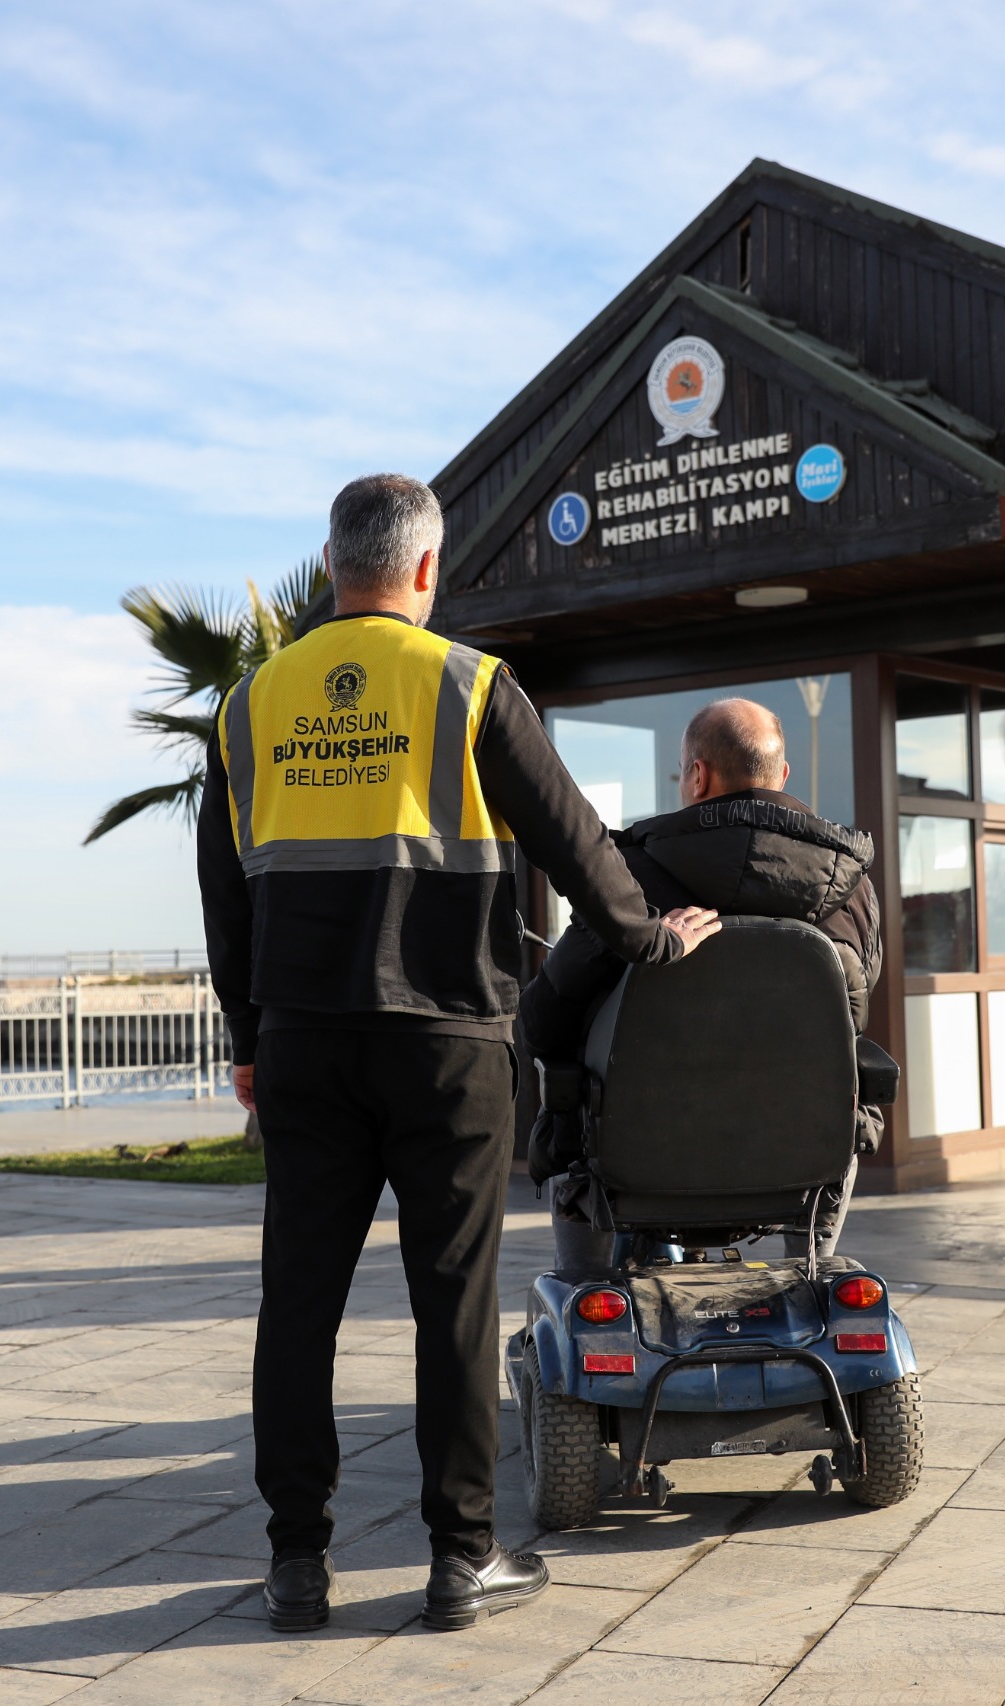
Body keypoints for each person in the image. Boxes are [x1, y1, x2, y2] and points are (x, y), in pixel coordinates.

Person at [197, 473, 719, 1634]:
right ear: (427, 568)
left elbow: (224, 899)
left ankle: (296, 1562)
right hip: (446, 1045)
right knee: (453, 1302)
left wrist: (247, 1038)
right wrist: (653, 939)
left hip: (302, 1043)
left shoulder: (248, 705)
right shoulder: (471, 685)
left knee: (298, 1303)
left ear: (333, 564)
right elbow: (577, 846)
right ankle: (459, 1556)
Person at [520, 697, 882, 1271]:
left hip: (641, 1154)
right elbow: (853, 1013)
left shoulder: (627, 877)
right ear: (782, 774)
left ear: (697, 774)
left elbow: (543, 1021)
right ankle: (810, 1266)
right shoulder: (852, 886)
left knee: (565, 1090)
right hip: (797, 1158)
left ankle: (585, 1285)